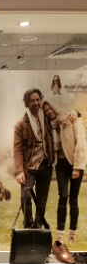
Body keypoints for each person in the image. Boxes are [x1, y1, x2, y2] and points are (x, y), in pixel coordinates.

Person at [44, 101, 87, 244]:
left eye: (51, 108)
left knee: (73, 199)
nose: (49, 111)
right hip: (61, 164)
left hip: (75, 164)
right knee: (62, 196)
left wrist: (77, 167)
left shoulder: (73, 121)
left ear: (56, 107)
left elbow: (81, 145)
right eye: (46, 110)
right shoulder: (51, 125)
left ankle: (72, 234)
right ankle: (60, 234)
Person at [14, 88, 54, 228]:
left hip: (46, 166)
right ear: (27, 103)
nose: (36, 103)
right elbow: (18, 149)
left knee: (41, 201)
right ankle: (28, 224)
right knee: (26, 197)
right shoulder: (20, 125)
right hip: (29, 168)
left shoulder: (48, 120)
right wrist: (19, 171)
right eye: (32, 100)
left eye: (38, 100)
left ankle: (37, 228)